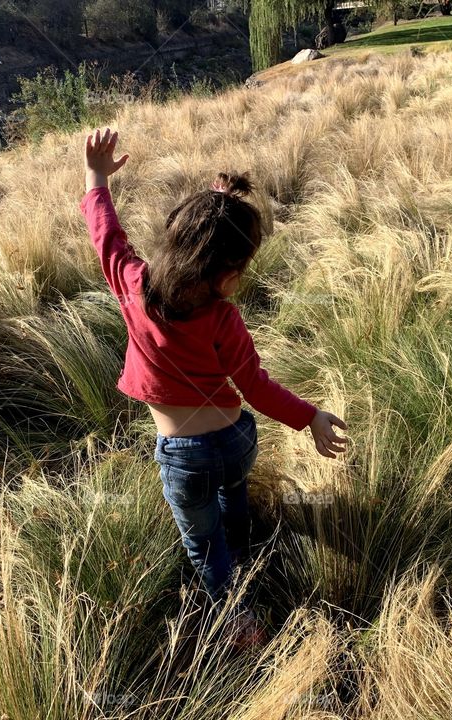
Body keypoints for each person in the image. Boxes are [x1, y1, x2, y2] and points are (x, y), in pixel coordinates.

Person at [80, 127, 349, 649]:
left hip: (185, 457)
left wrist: (97, 177)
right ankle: (245, 553)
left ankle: (235, 617)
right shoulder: (224, 319)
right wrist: (310, 417)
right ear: (226, 277)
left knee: (203, 543)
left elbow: (106, 236)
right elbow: (256, 387)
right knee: (233, 496)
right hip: (237, 439)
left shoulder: (133, 287)